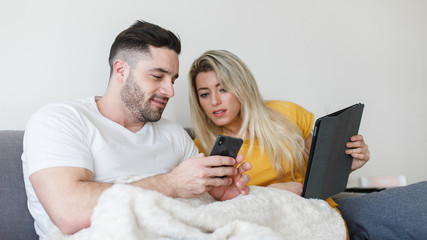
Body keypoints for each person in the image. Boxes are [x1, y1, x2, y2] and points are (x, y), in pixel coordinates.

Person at [22, 21, 251, 239]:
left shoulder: (173, 133)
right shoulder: (61, 120)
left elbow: (197, 203)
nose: (169, 91)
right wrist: (171, 183)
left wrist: (219, 195)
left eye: (172, 79)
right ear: (121, 71)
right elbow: (68, 212)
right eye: (157, 76)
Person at [187, 50, 370, 229]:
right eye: (204, 94)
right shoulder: (200, 149)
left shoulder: (287, 114)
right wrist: (272, 193)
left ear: (242, 87)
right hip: (264, 227)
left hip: (315, 218)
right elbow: (222, 209)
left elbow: (321, 175)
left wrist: (347, 164)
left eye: (223, 89)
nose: (214, 101)